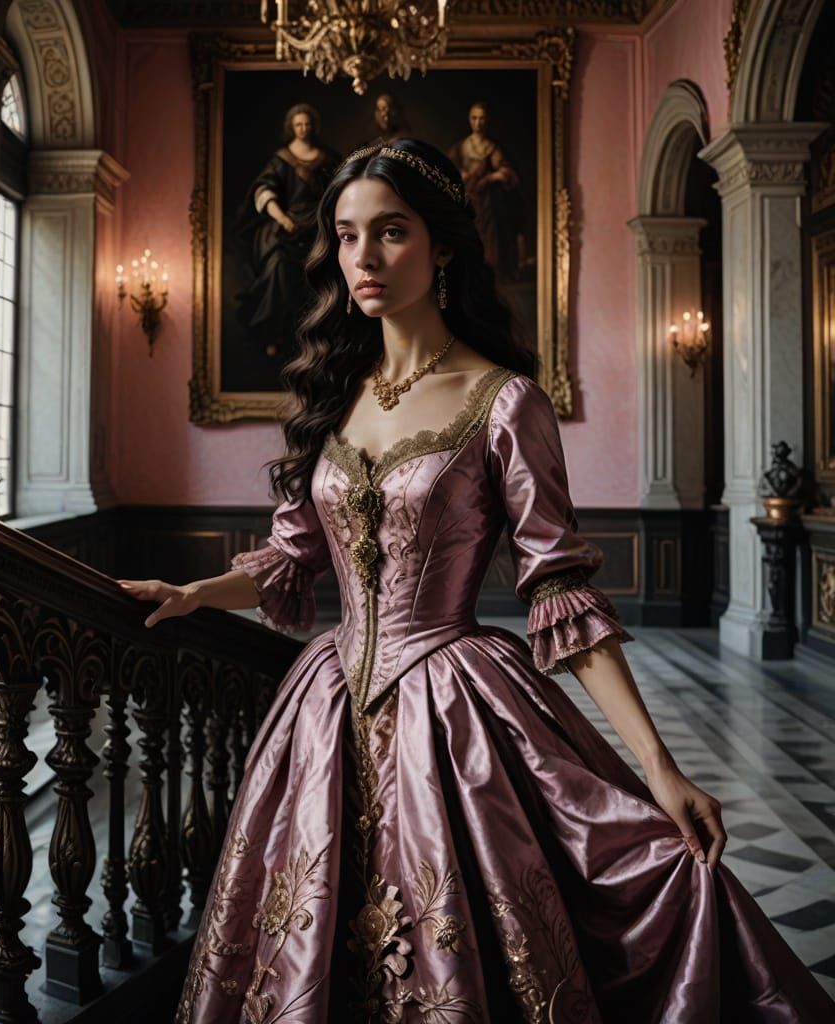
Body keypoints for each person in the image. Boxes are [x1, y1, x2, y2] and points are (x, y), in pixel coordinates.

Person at [120, 138, 835, 1022]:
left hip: (454, 712)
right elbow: (292, 555)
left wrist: (659, 767)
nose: (364, 257)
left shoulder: (504, 401)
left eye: (391, 231)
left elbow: (560, 591)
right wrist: (194, 595)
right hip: (324, 710)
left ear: (442, 247)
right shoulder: (330, 395)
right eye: (347, 235)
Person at [232, 102, 342, 360]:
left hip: (319, 226)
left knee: (326, 271)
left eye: (307, 124)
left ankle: (322, 337)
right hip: (288, 227)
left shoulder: (327, 158)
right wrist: (282, 218)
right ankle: (273, 335)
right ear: (291, 128)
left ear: (313, 126)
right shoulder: (282, 159)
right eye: (298, 124)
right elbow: (263, 190)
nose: (303, 128)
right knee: (278, 268)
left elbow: (340, 191)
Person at [447, 101, 527, 280]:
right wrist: (461, 174)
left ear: (487, 120)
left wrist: (490, 178)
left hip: (488, 204)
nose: (478, 123)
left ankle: (490, 278)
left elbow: (507, 172)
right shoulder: (461, 147)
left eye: (482, 118)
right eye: (474, 118)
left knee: (490, 242)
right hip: (466, 201)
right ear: (469, 120)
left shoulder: (492, 148)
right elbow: (446, 170)